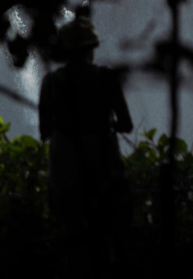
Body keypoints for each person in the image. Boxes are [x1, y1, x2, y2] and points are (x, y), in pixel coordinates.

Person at [38, 15, 133, 276]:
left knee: (74, 243)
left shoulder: (52, 82)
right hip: (105, 171)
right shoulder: (107, 77)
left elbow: (44, 131)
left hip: (66, 174)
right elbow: (126, 124)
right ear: (92, 49)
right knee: (107, 241)